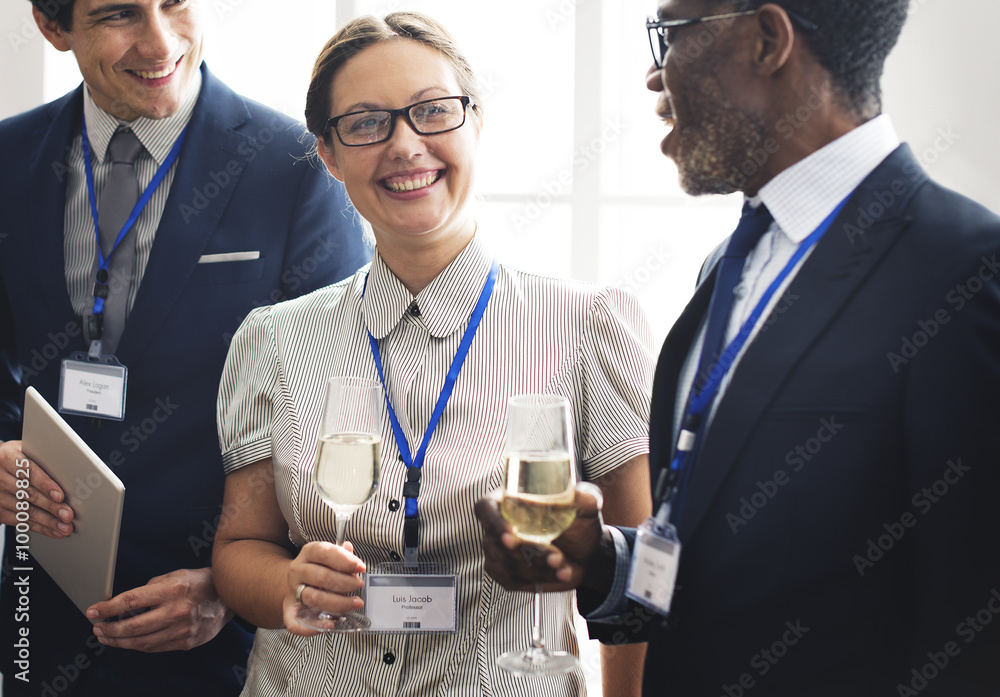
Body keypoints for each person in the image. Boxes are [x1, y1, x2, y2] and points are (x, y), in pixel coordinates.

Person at [476, 0, 1000, 695]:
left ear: (765, 40)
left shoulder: (965, 275)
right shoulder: (728, 265)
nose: (653, 76)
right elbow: (725, 559)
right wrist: (602, 560)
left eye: (673, 34)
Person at [211, 11, 654, 697]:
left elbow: (640, 580)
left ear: (476, 122)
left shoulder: (589, 324)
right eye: (365, 123)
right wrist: (286, 582)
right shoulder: (273, 338)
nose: (405, 145)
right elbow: (240, 549)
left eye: (433, 112)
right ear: (327, 154)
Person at [0, 0, 370, 694]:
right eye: (119, 14)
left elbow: (340, 411)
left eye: (174, 3)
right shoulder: (7, 159)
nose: (160, 41)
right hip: (41, 619)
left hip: (220, 638)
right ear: (53, 28)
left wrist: (232, 583)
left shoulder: (296, 169)